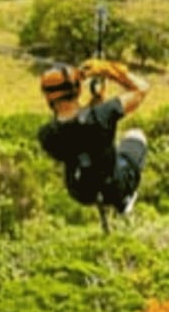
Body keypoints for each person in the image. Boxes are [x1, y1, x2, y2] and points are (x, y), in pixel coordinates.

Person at [37, 57, 150, 224]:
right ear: (77, 90)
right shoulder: (101, 115)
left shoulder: (46, 135)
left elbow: (75, 132)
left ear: (48, 97)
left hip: (81, 191)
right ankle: (124, 199)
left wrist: (93, 106)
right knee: (136, 135)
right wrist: (110, 70)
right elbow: (142, 89)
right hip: (114, 185)